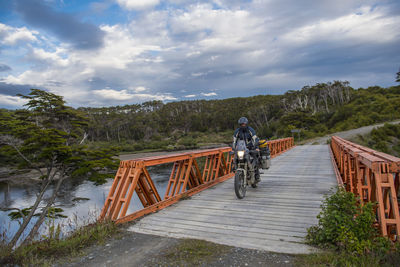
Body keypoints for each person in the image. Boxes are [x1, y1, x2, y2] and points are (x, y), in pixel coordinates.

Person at [232, 117, 261, 181]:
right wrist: (233, 148)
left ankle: (257, 175)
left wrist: (256, 147)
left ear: (246, 124)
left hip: (250, 148)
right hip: (242, 149)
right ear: (240, 125)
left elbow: (254, 138)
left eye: (244, 124)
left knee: (255, 158)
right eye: (242, 124)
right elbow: (234, 140)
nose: (243, 125)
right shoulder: (237, 131)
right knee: (235, 158)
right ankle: (235, 168)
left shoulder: (250, 130)